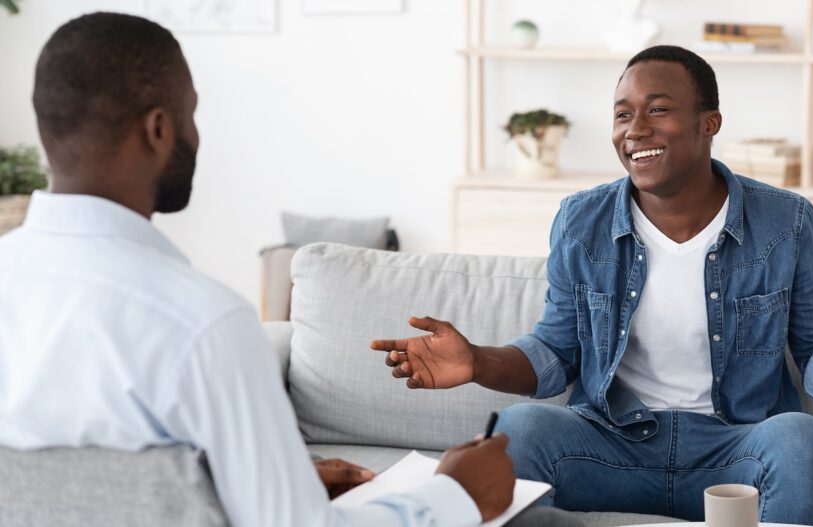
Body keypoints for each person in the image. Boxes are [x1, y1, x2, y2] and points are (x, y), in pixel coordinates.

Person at [0, 12, 523, 527]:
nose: (195, 136)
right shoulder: (203, 324)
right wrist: (456, 495)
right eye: (191, 114)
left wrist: (254, 488)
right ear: (159, 130)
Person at [372, 45, 813, 527]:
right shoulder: (581, 221)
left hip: (733, 453)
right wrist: (477, 362)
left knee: (803, 438)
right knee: (521, 429)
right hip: (611, 448)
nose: (635, 129)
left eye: (658, 109)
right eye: (623, 114)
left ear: (709, 123)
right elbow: (556, 351)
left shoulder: (787, 222)